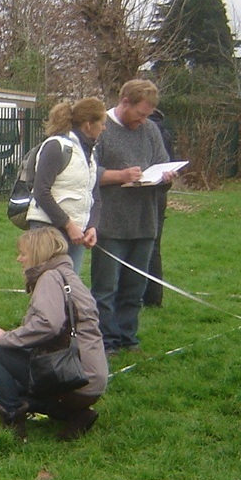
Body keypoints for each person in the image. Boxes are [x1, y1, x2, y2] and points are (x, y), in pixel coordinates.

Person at [0, 227, 108, 441]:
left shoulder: (50, 278)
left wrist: (7, 337)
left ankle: (13, 421)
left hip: (72, 377)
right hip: (90, 380)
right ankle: (77, 415)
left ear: (39, 254)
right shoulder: (68, 275)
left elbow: (48, 324)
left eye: (23, 253)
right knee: (19, 385)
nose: (18, 259)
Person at [91, 80, 176, 354]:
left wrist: (165, 177)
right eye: (140, 114)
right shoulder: (100, 127)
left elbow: (161, 162)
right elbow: (87, 172)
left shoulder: (150, 130)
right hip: (110, 223)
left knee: (134, 287)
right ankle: (106, 340)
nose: (143, 120)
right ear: (125, 102)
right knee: (106, 288)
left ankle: (128, 337)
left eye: (147, 115)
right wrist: (121, 176)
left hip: (144, 221)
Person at [25, 97, 106, 274]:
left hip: (77, 232)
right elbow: (41, 191)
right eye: (101, 123)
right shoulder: (56, 146)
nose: (104, 127)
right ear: (88, 124)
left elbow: (94, 194)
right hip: (47, 228)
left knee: (69, 285)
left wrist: (92, 226)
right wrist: (69, 225)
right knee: (46, 285)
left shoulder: (91, 154)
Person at [142, 108, 175, 307]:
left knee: (149, 245)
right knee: (154, 245)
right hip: (160, 194)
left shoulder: (151, 131)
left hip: (149, 190)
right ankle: (153, 297)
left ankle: (150, 296)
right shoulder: (165, 130)